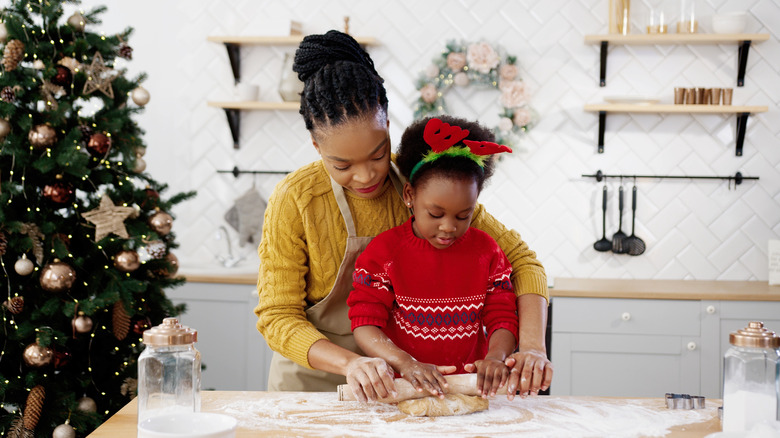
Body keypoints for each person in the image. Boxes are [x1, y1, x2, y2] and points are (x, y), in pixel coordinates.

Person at [254, 30, 552, 402]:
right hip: (312, 381)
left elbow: (524, 262)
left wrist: (533, 348)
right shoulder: (295, 200)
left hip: (402, 382)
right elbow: (278, 315)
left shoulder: (421, 185)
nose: (366, 176)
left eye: (378, 155)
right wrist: (352, 364)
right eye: (342, 165)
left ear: (388, 126)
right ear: (317, 146)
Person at [348, 116, 519, 399]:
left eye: (463, 215)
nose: (449, 226)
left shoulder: (487, 251)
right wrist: (406, 363)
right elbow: (365, 324)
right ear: (409, 195)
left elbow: (502, 316)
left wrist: (497, 356)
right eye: (435, 214)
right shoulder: (384, 253)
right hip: (402, 390)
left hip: (470, 390)